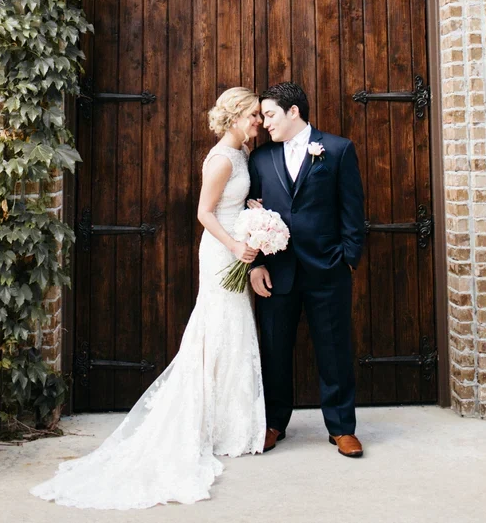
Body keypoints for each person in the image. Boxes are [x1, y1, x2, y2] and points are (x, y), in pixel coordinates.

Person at [30, 87, 266, 510]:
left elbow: (231, 203)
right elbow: (204, 213)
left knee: (234, 327)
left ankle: (230, 424)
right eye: (252, 115)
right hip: (220, 251)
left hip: (235, 244)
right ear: (233, 118)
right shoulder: (221, 158)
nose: (258, 122)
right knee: (219, 325)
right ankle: (213, 424)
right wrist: (234, 245)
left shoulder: (242, 154)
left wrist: (252, 210)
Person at [248, 81, 365, 459]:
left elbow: (353, 211)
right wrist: (256, 267)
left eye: (270, 114)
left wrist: (348, 258)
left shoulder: (337, 149)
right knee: (275, 350)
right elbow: (252, 213)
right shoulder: (261, 158)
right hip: (277, 271)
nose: (265, 123)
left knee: (334, 350)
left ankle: (342, 428)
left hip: (327, 268)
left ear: (293, 111)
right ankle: (274, 423)